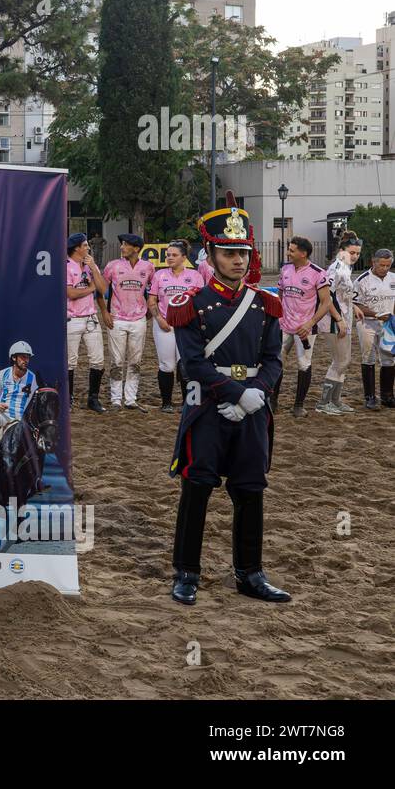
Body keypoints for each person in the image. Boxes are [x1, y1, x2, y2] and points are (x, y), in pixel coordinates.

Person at [167, 199, 290, 606]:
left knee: (250, 490)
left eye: (243, 253)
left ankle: (250, 573)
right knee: (198, 488)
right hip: (207, 408)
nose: (238, 260)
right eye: (229, 252)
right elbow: (194, 363)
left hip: (254, 408)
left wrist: (256, 397)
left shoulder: (265, 304)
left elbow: (273, 358)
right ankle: (186, 572)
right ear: (210, 256)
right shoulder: (192, 306)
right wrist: (236, 394)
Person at [272, 237, 335, 418]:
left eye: (291, 250)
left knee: (303, 364)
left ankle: (298, 405)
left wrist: (309, 324)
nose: (288, 253)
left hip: (305, 329)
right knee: (277, 361)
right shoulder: (285, 269)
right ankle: (273, 400)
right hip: (284, 325)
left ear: (303, 253)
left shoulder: (318, 273)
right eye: (288, 249)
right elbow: (280, 294)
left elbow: (326, 302)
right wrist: (279, 316)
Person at [147, 240, 204, 413]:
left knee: (187, 364)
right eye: (168, 255)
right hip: (165, 325)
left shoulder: (195, 276)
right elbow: (152, 300)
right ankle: (166, 402)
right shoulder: (160, 275)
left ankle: (189, 402)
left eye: (174, 255)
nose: (169, 258)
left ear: (184, 258)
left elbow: (200, 301)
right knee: (167, 365)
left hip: (187, 327)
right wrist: (159, 319)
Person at [102, 233, 155, 411]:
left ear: (136, 249)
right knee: (116, 361)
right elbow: (100, 290)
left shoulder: (148, 267)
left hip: (139, 320)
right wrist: (105, 312)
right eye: (122, 244)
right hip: (116, 319)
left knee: (135, 361)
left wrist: (148, 312)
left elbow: (153, 291)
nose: (122, 247)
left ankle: (130, 399)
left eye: (125, 245)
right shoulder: (113, 266)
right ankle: (116, 399)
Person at [0, 341, 38, 475]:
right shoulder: (1, 375)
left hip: (22, 420)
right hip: (3, 416)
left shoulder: (33, 378)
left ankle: (37, 479)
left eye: (27, 357)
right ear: (14, 358)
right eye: (22, 357)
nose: (26, 360)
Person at [318, 232, 363, 414]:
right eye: (352, 252)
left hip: (344, 318)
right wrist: (339, 319)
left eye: (358, 253)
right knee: (340, 361)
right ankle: (324, 403)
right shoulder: (335, 268)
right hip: (333, 321)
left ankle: (335, 401)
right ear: (342, 251)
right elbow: (327, 296)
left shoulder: (345, 267)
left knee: (344, 361)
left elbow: (342, 295)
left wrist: (355, 307)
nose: (355, 256)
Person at [66, 233, 109, 413]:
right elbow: (71, 293)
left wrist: (93, 268)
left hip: (91, 317)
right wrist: (91, 287)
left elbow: (103, 289)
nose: (88, 248)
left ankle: (93, 398)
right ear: (77, 248)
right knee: (70, 361)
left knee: (98, 360)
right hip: (71, 318)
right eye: (85, 245)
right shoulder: (66, 266)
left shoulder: (91, 266)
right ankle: (67, 398)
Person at [354, 247, 395, 408]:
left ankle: (387, 395)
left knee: (389, 358)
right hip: (367, 323)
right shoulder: (362, 280)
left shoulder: (393, 278)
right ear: (373, 262)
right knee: (368, 356)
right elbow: (356, 304)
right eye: (382, 265)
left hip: (388, 325)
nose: (385, 269)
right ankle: (370, 397)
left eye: (388, 265)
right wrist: (376, 314)